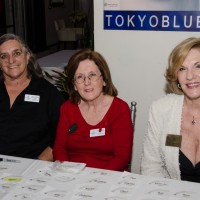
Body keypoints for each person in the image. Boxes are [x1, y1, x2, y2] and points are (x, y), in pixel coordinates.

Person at [53, 49, 133, 171]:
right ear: (74, 85)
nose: (86, 82)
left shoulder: (119, 109)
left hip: (109, 177)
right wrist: (68, 173)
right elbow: (59, 148)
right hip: (72, 176)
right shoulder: (67, 109)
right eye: (80, 77)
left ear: (104, 80)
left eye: (92, 75)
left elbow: (122, 157)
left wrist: (96, 179)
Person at [141, 37, 200, 183]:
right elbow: (151, 167)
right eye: (182, 68)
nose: (190, 75)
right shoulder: (161, 110)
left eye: (198, 66)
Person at [0, 33, 65, 161]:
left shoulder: (47, 93)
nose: (11, 60)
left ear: (27, 56)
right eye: (4, 56)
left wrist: (38, 163)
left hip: (31, 166)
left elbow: (62, 134)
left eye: (17, 53)